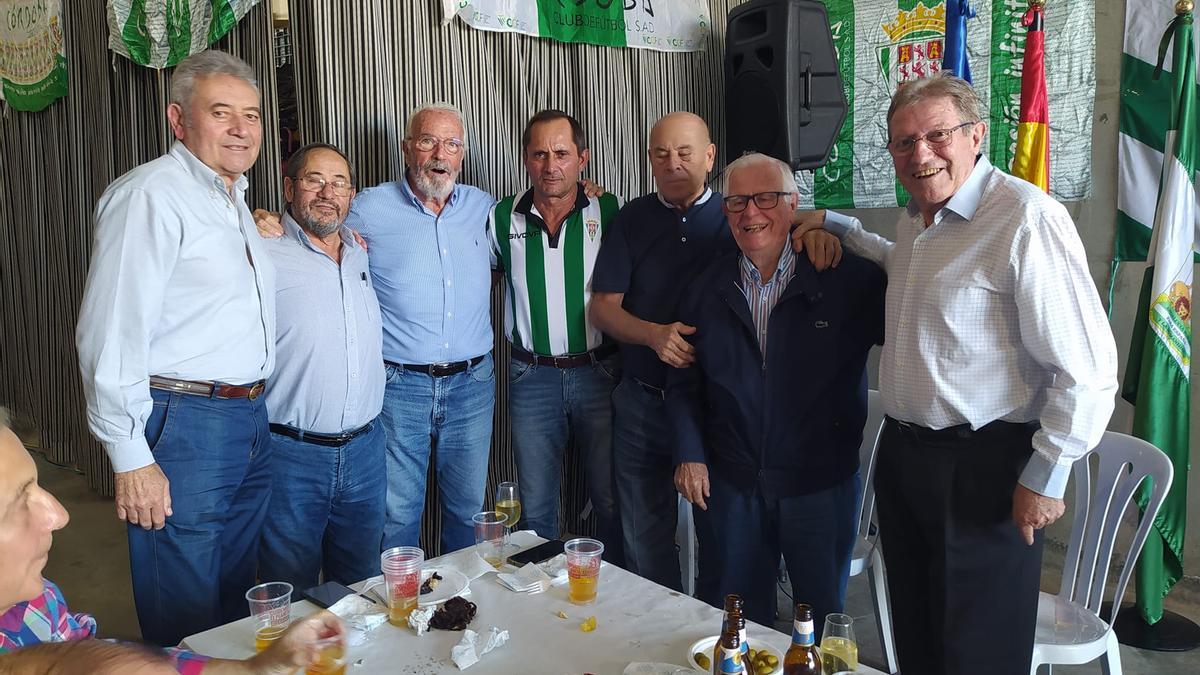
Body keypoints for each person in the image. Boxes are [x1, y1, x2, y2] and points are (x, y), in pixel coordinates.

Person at [795, 72, 1119, 675]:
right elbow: (911, 272)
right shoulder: (920, 223)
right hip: (908, 459)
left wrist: (1046, 473)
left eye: (937, 135)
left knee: (977, 650)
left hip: (987, 466)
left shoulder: (1025, 218)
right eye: (903, 142)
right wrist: (837, 225)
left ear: (976, 136)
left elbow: (1088, 371)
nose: (921, 154)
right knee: (916, 635)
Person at [75, 50, 276, 646]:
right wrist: (131, 458)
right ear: (177, 119)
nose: (241, 128)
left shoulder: (232, 199)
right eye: (222, 112)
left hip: (247, 418)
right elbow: (109, 334)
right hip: (184, 425)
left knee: (235, 602)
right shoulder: (150, 197)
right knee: (183, 608)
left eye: (252, 114)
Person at [666, 153, 885, 627]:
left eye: (766, 198)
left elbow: (917, 293)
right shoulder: (705, 287)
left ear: (794, 204)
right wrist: (690, 452)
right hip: (731, 483)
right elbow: (683, 381)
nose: (751, 213)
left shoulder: (849, 279)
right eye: (737, 202)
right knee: (739, 618)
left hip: (819, 486)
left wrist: (842, 232)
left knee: (820, 622)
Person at [0, 420, 346, 673]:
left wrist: (258, 667)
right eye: (18, 502)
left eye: (37, 486)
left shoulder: (35, 602)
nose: (59, 515)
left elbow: (112, 660)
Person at [343, 103, 497, 554]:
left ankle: (460, 610)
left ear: (462, 154)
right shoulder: (369, 208)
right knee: (396, 513)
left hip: (472, 383)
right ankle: (398, 614)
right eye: (428, 141)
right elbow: (315, 234)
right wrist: (268, 223)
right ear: (408, 148)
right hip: (399, 387)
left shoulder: (484, 208)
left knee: (468, 512)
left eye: (451, 144)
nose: (439, 154)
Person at [488, 110, 624, 562]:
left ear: (582, 159)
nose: (551, 165)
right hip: (532, 375)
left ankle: (615, 601)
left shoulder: (609, 209)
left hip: (599, 371)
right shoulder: (501, 216)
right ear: (525, 159)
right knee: (537, 504)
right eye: (539, 154)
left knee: (609, 495)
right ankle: (542, 602)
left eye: (562, 153)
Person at [257, 143, 386, 591]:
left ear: (353, 195)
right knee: (288, 591)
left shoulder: (359, 252)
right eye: (314, 180)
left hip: (367, 452)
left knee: (361, 587)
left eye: (340, 183)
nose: (327, 192)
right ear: (290, 187)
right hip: (292, 455)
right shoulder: (259, 251)